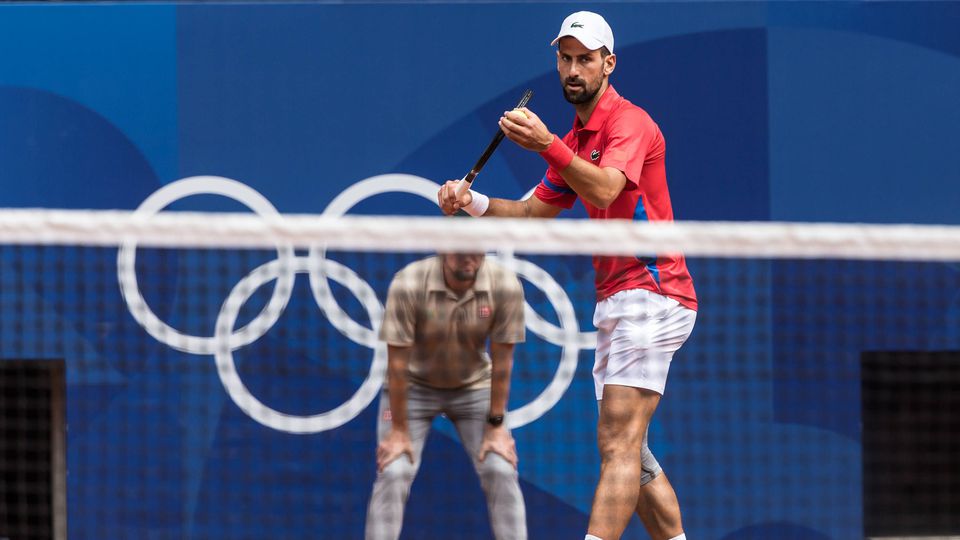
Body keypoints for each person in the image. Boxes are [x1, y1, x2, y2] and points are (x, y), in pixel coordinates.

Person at [438, 11, 697, 540]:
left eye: (585, 58)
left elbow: (604, 188)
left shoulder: (629, 122)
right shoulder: (576, 141)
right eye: (565, 58)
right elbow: (532, 216)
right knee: (634, 455)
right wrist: (472, 202)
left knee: (618, 445)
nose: (573, 69)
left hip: (653, 292)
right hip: (617, 299)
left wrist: (546, 145)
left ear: (609, 63)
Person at [364, 252, 528, 540]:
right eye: (460, 251)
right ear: (443, 249)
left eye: (476, 251)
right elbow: (397, 366)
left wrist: (496, 425)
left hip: (474, 388)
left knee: (500, 468)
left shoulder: (504, 284)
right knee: (393, 470)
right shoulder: (409, 283)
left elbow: (503, 364)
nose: (469, 258)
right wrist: (399, 431)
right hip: (411, 388)